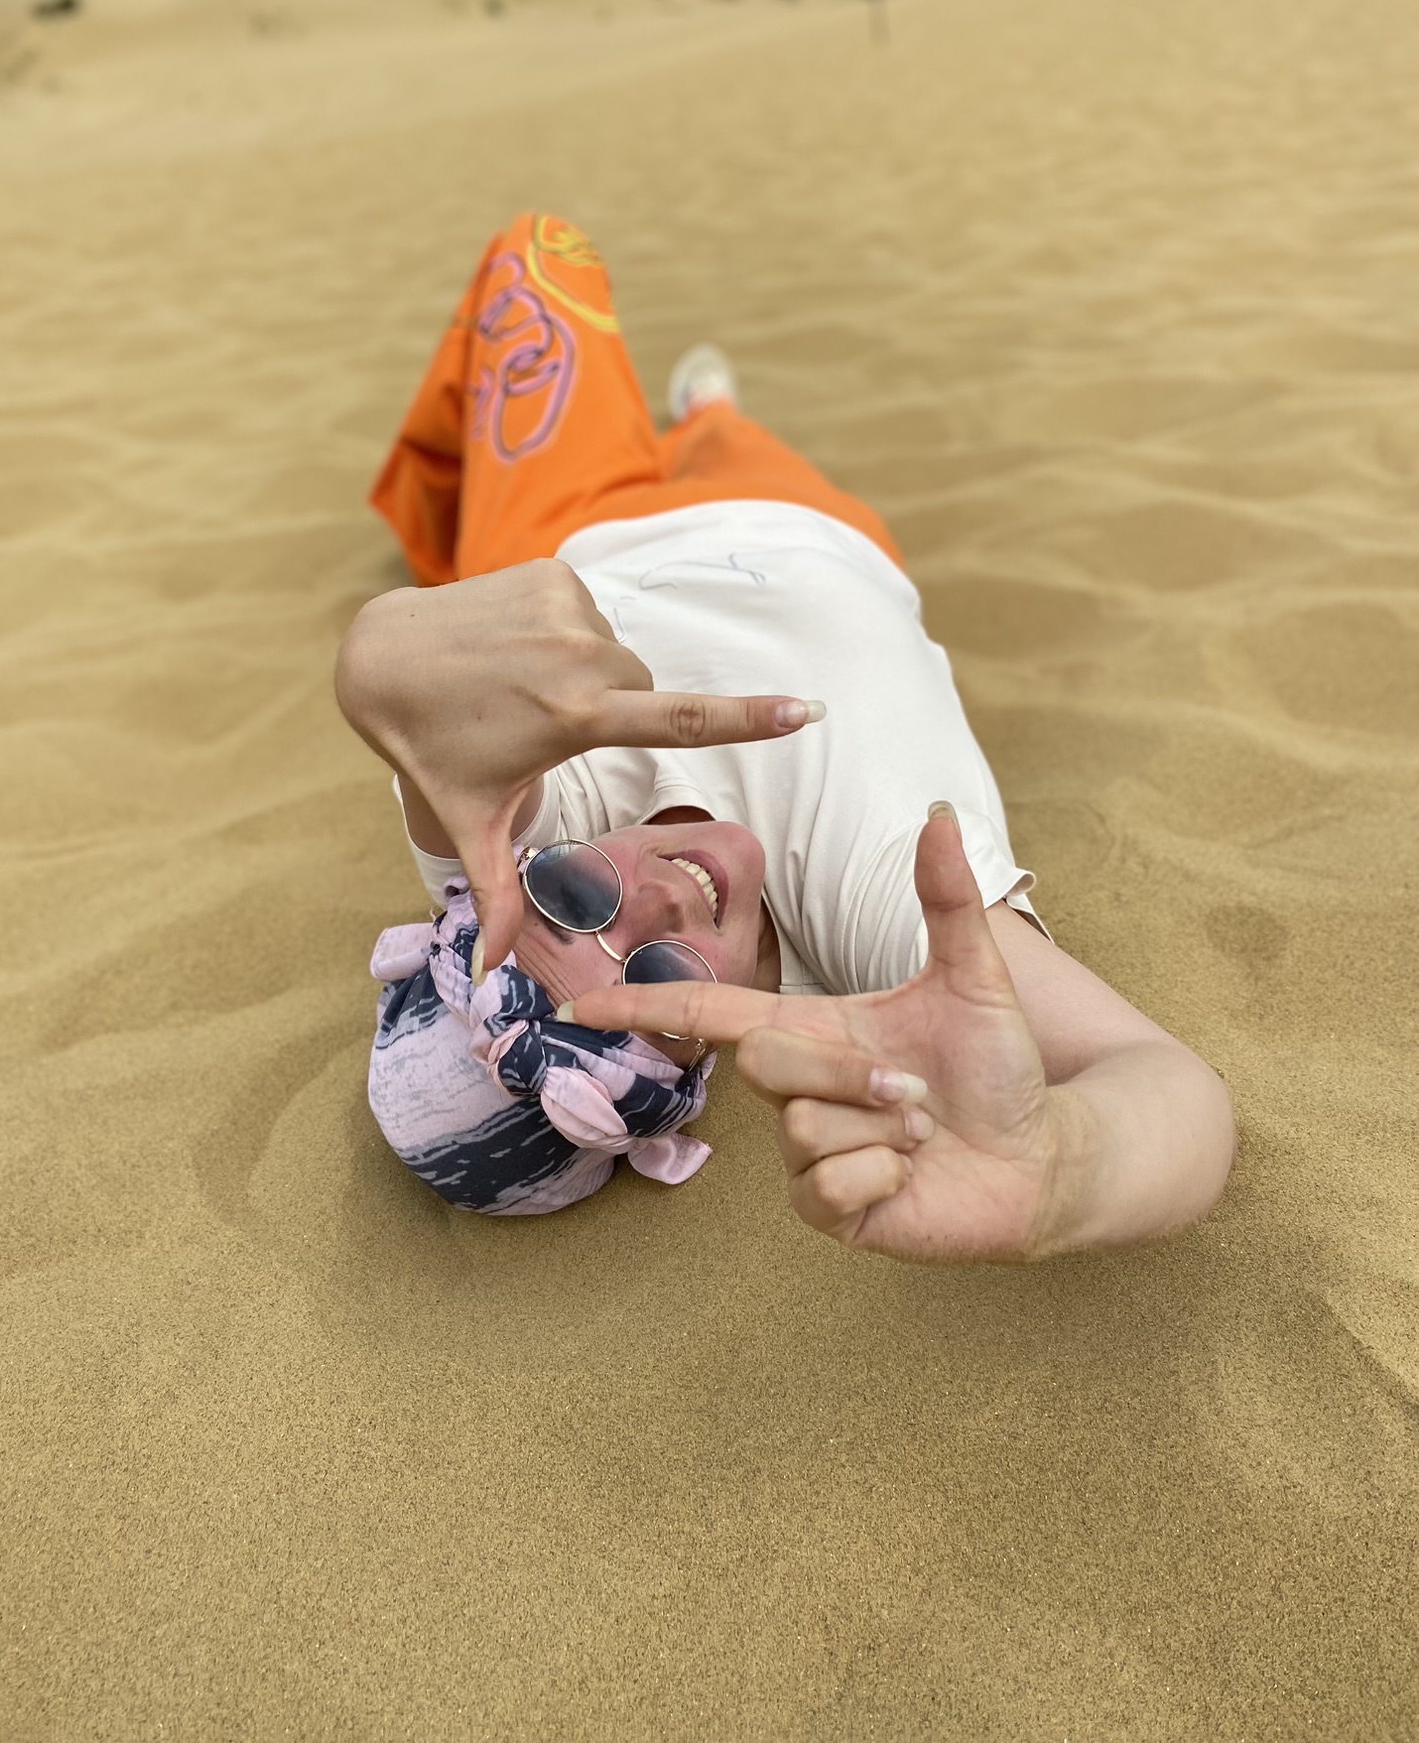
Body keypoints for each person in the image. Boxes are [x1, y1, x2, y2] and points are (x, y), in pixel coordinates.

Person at [336, 213, 1236, 1252]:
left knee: (539, 254)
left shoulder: (507, 833)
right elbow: (1169, 1085)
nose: (663, 897)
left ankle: (452, 517)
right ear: (697, 1061)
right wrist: (1066, 1172)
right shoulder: (873, 909)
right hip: (799, 520)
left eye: (574, 896)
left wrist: (383, 655)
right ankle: (709, 419)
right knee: (727, 430)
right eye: (661, 979)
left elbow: (423, 721)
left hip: (564, 539)